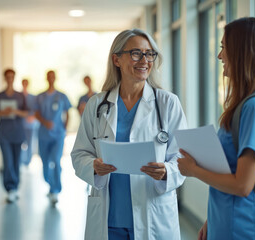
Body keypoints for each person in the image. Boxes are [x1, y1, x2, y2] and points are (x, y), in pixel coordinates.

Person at [71, 29, 188, 240]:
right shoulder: (97, 104)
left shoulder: (168, 103)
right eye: (136, 53)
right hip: (109, 221)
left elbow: (184, 156)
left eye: (149, 54)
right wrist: (94, 167)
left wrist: (167, 172)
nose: (144, 60)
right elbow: (80, 153)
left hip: (153, 214)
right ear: (116, 59)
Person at [177, 17, 255, 240]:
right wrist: (212, 219)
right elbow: (231, 172)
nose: (220, 56)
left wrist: (193, 170)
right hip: (228, 223)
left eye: (223, 48)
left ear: (241, 52)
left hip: (245, 228)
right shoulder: (247, 105)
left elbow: (243, 185)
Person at [0, 68, 28, 203]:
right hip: (4, 134)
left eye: (12, 77)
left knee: (16, 162)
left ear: (14, 78)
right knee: (8, 162)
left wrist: (15, 111)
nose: (10, 79)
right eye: (8, 77)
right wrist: (4, 112)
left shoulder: (20, 96)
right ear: (5, 78)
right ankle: (10, 188)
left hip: (18, 133)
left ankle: (15, 187)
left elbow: (26, 113)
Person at [35, 70, 72, 205]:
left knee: (55, 160)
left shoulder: (62, 96)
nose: (51, 79)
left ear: (55, 78)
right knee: (45, 163)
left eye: (53, 77)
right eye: (48, 77)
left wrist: (64, 128)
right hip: (44, 135)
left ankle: (55, 190)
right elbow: (36, 113)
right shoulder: (40, 97)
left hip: (58, 135)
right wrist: (45, 122)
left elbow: (67, 113)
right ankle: (50, 183)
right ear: (46, 78)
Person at [21, 79, 39, 166]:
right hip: (20, 125)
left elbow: (36, 110)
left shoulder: (33, 97)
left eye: (26, 83)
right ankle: (21, 160)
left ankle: (28, 161)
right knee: (21, 143)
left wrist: (32, 117)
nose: (25, 85)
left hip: (30, 125)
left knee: (29, 143)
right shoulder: (19, 96)